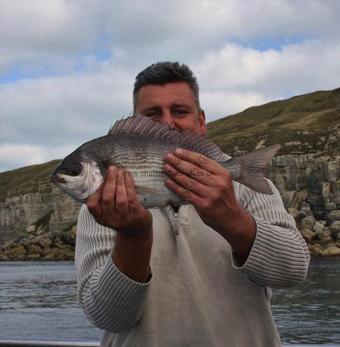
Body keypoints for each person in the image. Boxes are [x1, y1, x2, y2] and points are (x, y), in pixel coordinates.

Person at [75, 62, 310, 347]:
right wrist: (132, 238)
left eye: (180, 111)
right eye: (151, 115)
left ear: (201, 121)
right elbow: (108, 317)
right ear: (135, 126)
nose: (167, 122)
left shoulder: (245, 187)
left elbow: (292, 272)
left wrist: (232, 218)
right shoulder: (103, 205)